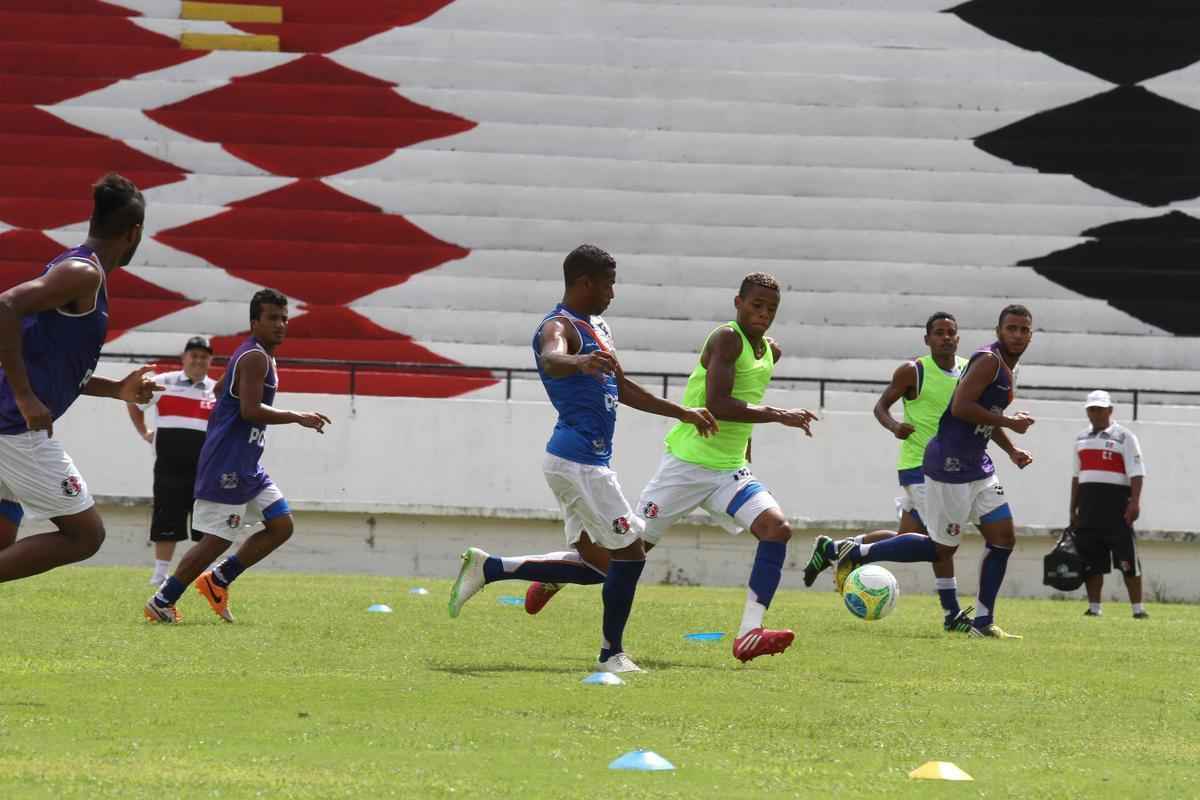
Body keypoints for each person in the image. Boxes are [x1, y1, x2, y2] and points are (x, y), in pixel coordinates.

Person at [515, 273, 819, 664]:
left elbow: (745, 405)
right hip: (686, 467)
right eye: (756, 305)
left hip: (729, 470)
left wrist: (746, 454)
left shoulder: (769, 352)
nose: (763, 314)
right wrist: (781, 415)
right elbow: (720, 404)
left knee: (777, 530)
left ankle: (749, 633)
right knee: (625, 557)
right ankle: (555, 576)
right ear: (738, 303)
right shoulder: (726, 339)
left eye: (771, 309)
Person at [447, 245, 718, 674]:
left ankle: (490, 568)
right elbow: (551, 358)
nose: (613, 292)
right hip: (579, 464)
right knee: (631, 556)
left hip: (581, 463)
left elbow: (624, 389)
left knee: (598, 566)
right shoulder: (559, 326)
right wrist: (578, 360)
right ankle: (612, 655)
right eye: (608, 283)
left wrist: (681, 412)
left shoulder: (600, 327)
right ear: (584, 282)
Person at [807, 305, 1036, 638]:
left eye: (1024, 330)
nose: (1017, 335)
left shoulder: (993, 367)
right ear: (999, 330)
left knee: (1002, 539)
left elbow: (984, 413)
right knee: (941, 548)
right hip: (946, 467)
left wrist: (1011, 448)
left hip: (978, 465)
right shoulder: (987, 361)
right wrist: (1009, 423)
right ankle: (852, 552)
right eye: (1011, 328)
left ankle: (981, 623)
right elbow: (961, 408)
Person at [0, 173, 162, 583]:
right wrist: (24, 396)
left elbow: (50, 363)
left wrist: (116, 390)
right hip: (15, 429)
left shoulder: (77, 271)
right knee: (86, 536)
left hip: (9, 424)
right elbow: (5, 306)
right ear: (134, 233)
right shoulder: (82, 273)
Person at [144, 290, 331, 623]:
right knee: (217, 539)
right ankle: (162, 600)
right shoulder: (255, 357)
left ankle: (218, 580)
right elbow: (249, 410)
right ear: (254, 322)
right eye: (273, 318)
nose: (281, 324)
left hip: (247, 462)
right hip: (228, 462)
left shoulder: (259, 356)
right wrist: (297, 417)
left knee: (280, 525)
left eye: (285, 318)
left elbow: (220, 392)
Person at [803, 312, 965, 589]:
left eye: (951, 333)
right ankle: (952, 614)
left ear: (958, 338)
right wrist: (894, 426)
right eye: (939, 332)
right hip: (919, 465)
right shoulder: (914, 371)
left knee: (907, 536)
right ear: (927, 339)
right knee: (941, 543)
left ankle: (834, 549)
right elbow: (880, 407)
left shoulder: (967, 370)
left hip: (951, 468)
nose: (946, 338)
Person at [128, 336, 216, 586]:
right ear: (184, 358)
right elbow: (134, 400)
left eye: (204, 356)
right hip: (169, 466)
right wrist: (144, 432)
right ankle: (159, 575)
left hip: (205, 468)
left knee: (206, 522)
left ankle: (201, 575)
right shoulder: (162, 382)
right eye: (194, 355)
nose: (198, 360)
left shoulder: (217, 389)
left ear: (210, 360)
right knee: (166, 517)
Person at [1070, 390, 1148, 619]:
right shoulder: (1080, 438)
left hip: (1117, 510)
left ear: (1110, 410)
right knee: (1091, 562)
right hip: (1088, 508)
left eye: (1100, 409)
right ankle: (1094, 607)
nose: (1095, 413)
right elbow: (1077, 476)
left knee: (1127, 559)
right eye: (1091, 409)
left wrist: (1135, 502)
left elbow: (1137, 472)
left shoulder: (1125, 437)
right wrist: (1072, 509)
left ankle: (1138, 609)